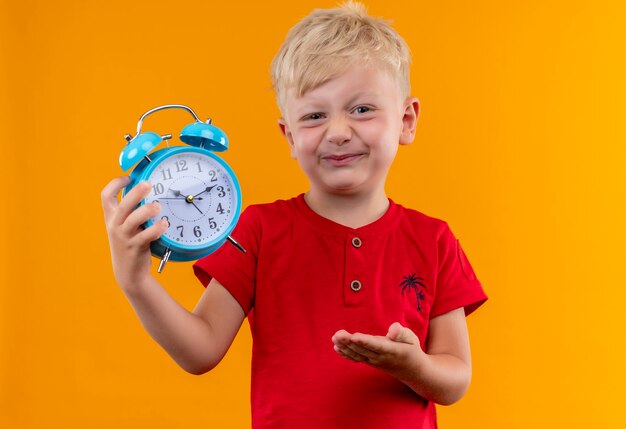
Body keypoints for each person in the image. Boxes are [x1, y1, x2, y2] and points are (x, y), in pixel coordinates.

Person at [101, 2, 487, 427]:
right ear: (288, 135)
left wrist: (413, 365)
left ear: (407, 120)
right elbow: (199, 351)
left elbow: (456, 378)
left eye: (361, 109)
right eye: (315, 116)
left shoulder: (434, 239)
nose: (338, 132)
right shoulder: (259, 230)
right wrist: (135, 280)